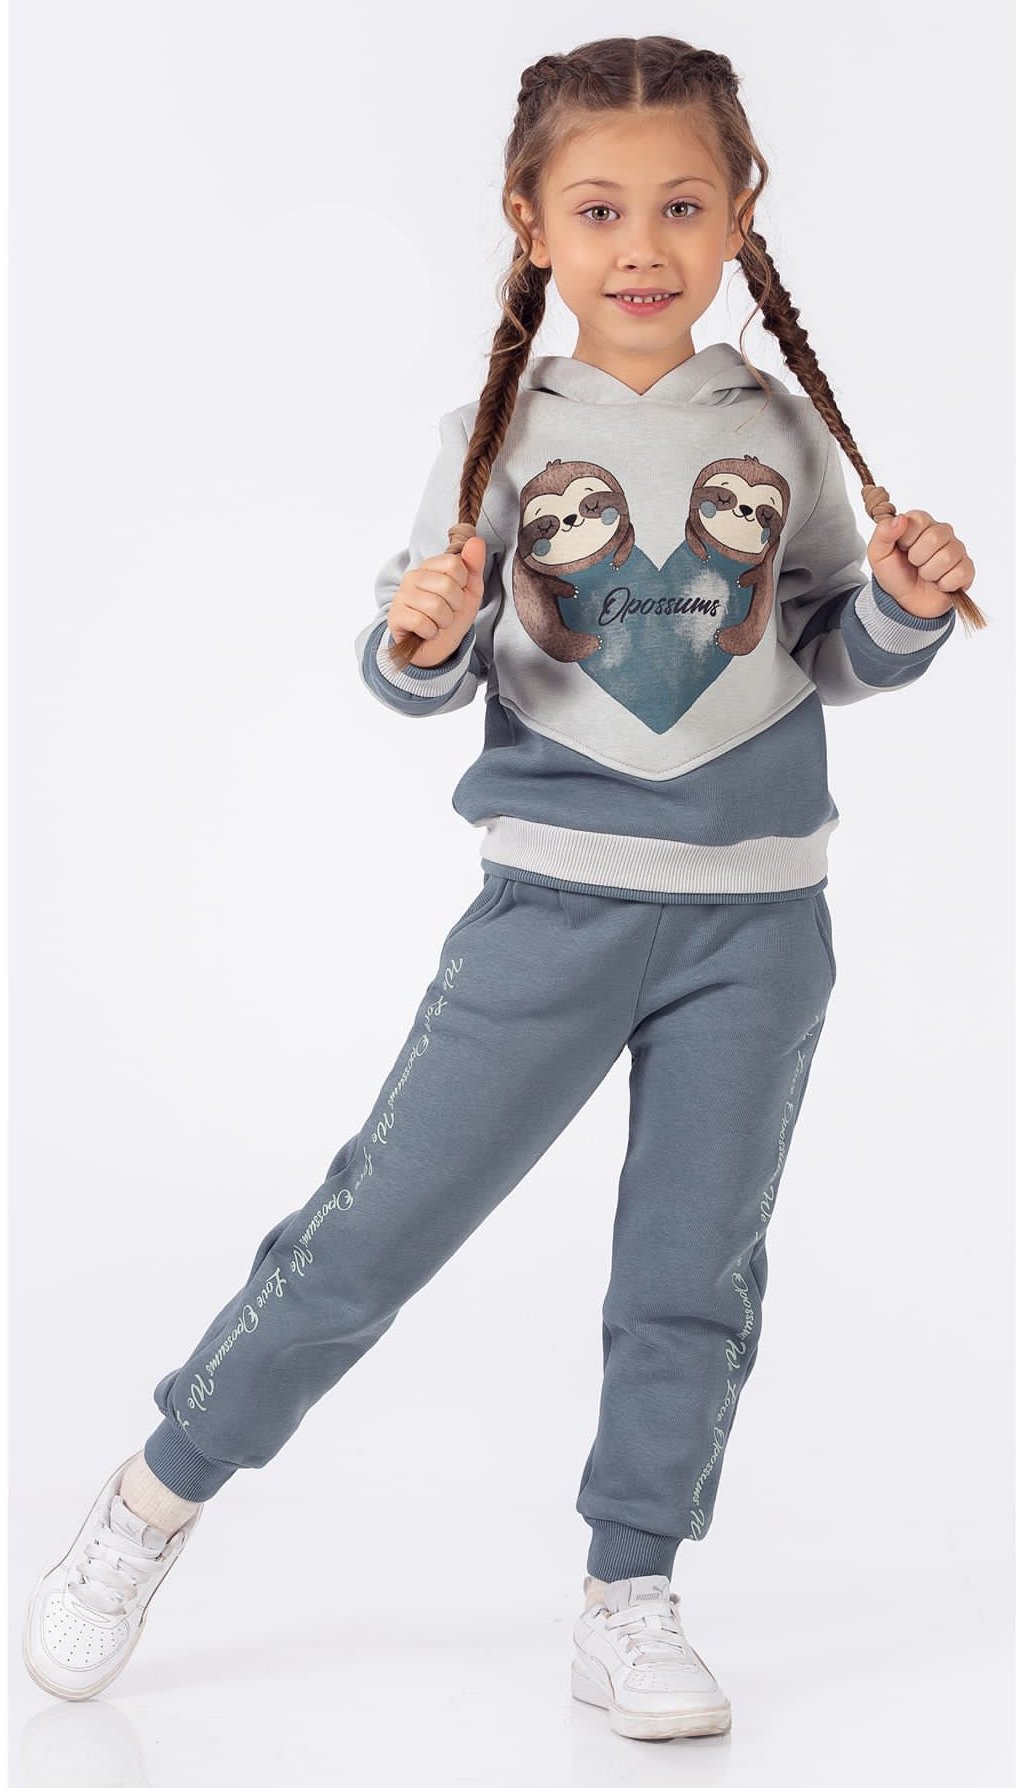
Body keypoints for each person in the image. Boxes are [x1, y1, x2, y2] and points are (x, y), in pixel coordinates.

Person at [23, 34, 980, 1744]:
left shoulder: (780, 429)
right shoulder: (497, 439)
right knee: (372, 1231)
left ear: (741, 214)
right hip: (552, 916)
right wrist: (420, 638)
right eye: (598, 208)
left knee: (693, 1274)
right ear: (530, 224)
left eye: (682, 205)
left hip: (763, 927)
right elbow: (429, 664)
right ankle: (157, 1491)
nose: (642, 244)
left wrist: (904, 608)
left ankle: (632, 1593)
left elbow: (827, 650)